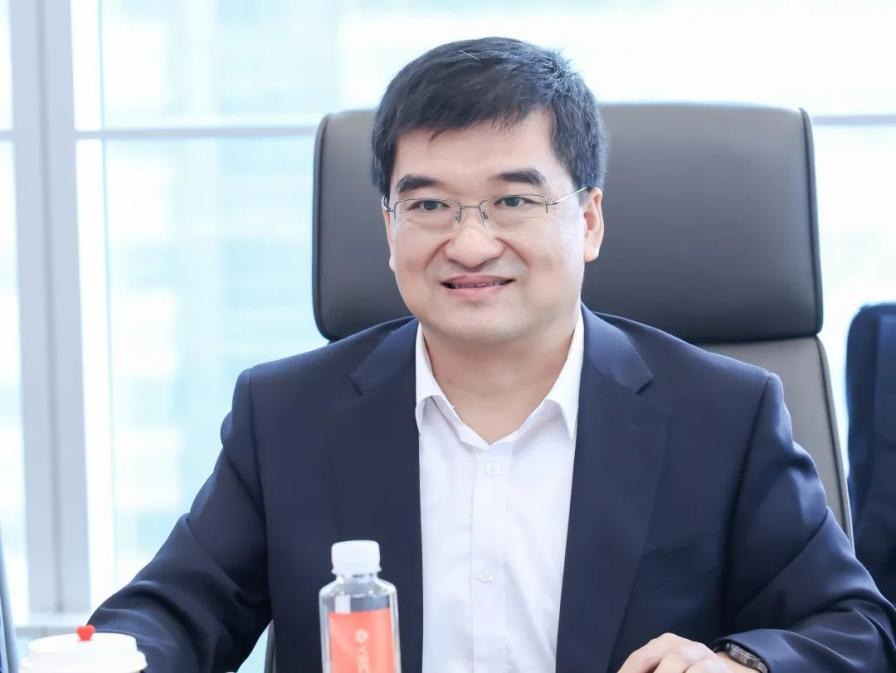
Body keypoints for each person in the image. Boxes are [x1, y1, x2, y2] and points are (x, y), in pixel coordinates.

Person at [90, 37, 896, 673]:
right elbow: (171, 614)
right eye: (429, 204)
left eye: (512, 199)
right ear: (388, 226)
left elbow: (854, 626)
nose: (470, 243)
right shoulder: (288, 416)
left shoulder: (722, 414)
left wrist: (742, 663)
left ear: (588, 220)